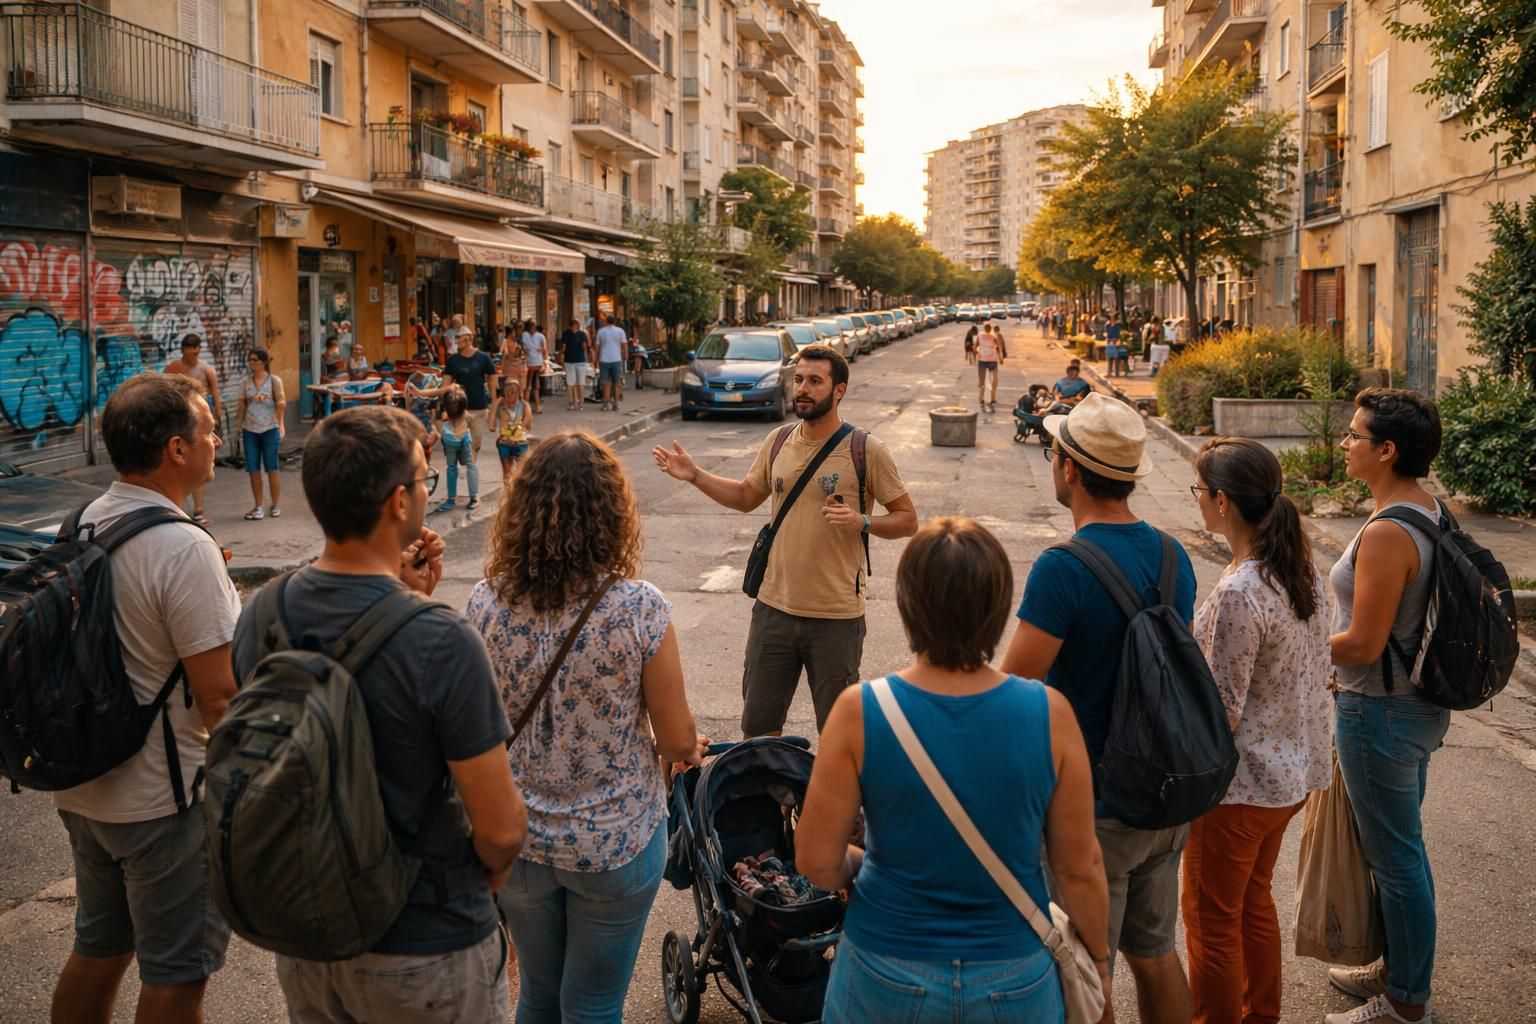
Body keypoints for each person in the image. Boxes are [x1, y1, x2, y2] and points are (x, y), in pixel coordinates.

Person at [235, 406, 527, 1024]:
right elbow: (500, 830)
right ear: (399, 503)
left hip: (310, 930)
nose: (427, 488)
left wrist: (407, 598)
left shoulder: (264, 613)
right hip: (426, 942)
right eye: (424, 479)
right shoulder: (444, 641)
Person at [797, 517, 1111, 1022]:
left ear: (906, 605)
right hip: (1014, 971)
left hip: (885, 967)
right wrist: (1097, 960)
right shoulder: (1049, 713)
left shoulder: (861, 711)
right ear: (999, 606)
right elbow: (1079, 868)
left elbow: (815, 860)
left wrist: (862, 865)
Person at [465, 432, 706, 1024]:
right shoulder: (639, 608)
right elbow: (676, 742)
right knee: (594, 1003)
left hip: (517, 836)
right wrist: (681, 750)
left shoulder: (484, 603)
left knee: (539, 995)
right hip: (615, 841)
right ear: (612, 512)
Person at [1000, 392, 1198, 1024]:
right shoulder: (1174, 554)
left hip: (1096, 807)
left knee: (1088, 968)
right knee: (1158, 954)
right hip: (1165, 794)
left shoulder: (1064, 568)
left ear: (1067, 467)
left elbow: (1016, 684)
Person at [49, 373, 239, 1024]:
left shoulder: (81, 522)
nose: (218, 438)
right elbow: (218, 698)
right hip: (164, 799)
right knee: (178, 976)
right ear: (177, 450)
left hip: (84, 786)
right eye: (209, 428)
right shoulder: (183, 548)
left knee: (98, 952)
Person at [652, 344, 918, 737]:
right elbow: (746, 496)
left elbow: (907, 519)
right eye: (798, 380)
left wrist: (862, 520)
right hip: (773, 609)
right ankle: (768, 799)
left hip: (836, 616)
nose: (803, 389)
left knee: (838, 735)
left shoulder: (865, 449)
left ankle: (826, 800)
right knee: (758, 731)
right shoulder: (778, 441)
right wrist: (695, 475)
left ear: (838, 390)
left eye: (814, 381)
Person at [1183, 438, 1334, 1024]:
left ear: (1221, 501)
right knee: (1251, 902)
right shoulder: (1299, 571)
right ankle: (1260, 1015)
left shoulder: (1241, 591)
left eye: (1199, 491)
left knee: (1211, 920)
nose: (1197, 501)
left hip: (1240, 790)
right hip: (1290, 778)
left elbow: (1221, 710)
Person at [1323, 389, 1449, 1024]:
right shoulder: (1431, 510)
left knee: (1395, 857)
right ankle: (1399, 967)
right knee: (1404, 847)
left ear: (1387, 450)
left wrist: (1303, 650)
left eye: (1354, 435)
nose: (1346, 444)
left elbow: (1363, 644)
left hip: (1379, 710)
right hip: (1421, 706)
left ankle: (1404, 1002)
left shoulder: (1387, 532)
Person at [164, 335, 221, 525]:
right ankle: (175, 506)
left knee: (199, 464)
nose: (192, 351)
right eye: (189, 348)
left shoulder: (206, 370)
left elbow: (215, 392)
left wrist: (217, 416)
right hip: (177, 424)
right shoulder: (173, 369)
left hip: (200, 426)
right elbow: (162, 393)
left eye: (195, 348)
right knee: (176, 464)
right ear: (183, 349)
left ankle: (198, 509)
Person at [444, 327, 499, 473]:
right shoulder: (453, 360)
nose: (456, 341)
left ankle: (471, 466)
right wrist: (444, 403)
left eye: (458, 338)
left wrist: (494, 404)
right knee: (459, 439)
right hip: (460, 407)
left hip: (479, 406)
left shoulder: (483, 358)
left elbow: (493, 380)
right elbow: (446, 384)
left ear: (468, 338)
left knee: (476, 442)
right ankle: (467, 463)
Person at [240, 347, 286, 521]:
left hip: (270, 428)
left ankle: (275, 504)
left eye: (255, 360)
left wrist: (280, 422)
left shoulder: (274, 381)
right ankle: (258, 505)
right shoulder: (245, 382)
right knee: (253, 469)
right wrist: (238, 428)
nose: (252, 363)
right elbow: (241, 405)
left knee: (272, 467)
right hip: (250, 428)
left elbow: (282, 402)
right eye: (250, 360)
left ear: (264, 362)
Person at [435, 385, 478, 513]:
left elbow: (474, 429)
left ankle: (472, 498)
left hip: (462, 438)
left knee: (468, 465)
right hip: (452, 439)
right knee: (453, 468)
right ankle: (454, 499)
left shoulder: (465, 416)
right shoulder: (452, 416)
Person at [488, 378, 533, 487]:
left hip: (520, 442)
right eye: (507, 392)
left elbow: (529, 418)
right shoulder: (501, 406)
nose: (510, 395)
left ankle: (518, 490)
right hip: (505, 442)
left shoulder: (524, 405)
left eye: (513, 392)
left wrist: (522, 426)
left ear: (518, 392)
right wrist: (496, 403)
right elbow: (491, 424)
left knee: (521, 470)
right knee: (507, 471)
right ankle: (508, 491)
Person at [595, 315, 628, 411]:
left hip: (604, 359)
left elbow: (597, 347)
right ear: (615, 322)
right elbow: (624, 345)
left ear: (606, 321)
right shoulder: (620, 331)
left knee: (605, 382)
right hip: (616, 359)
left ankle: (605, 403)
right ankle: (616, 404)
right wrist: (625, 356)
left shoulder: (601, 331)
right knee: (617, 383)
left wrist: (595, 359)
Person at [560, 318, 594, 411]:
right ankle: (580, 403)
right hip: (579, 360)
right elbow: (584, 348)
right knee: (580, 382)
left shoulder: (566, 334)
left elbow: (563, 348)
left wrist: (560, 355)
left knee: (571, 383)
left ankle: (572, 403)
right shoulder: (582, 334)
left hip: (570, 360)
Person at [975, 323, 1005, 413]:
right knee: (989, 380)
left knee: (989, 380)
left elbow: (976, 346)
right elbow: (998, 347)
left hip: (987, 360)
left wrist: (978, 352)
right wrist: (1000, 358)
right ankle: (986, 398)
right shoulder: (989, 336)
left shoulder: (985, 336)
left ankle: (984, 399)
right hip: (989, 359)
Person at [523, 322, 547, 414]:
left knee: (533, 386)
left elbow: (544, 349)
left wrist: (544, 362)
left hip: (536, 363)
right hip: (529, 363)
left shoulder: (540, 336)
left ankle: (536, 406)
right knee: (529, 386)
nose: (532, 328)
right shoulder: (525, 335)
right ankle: (530, 407)